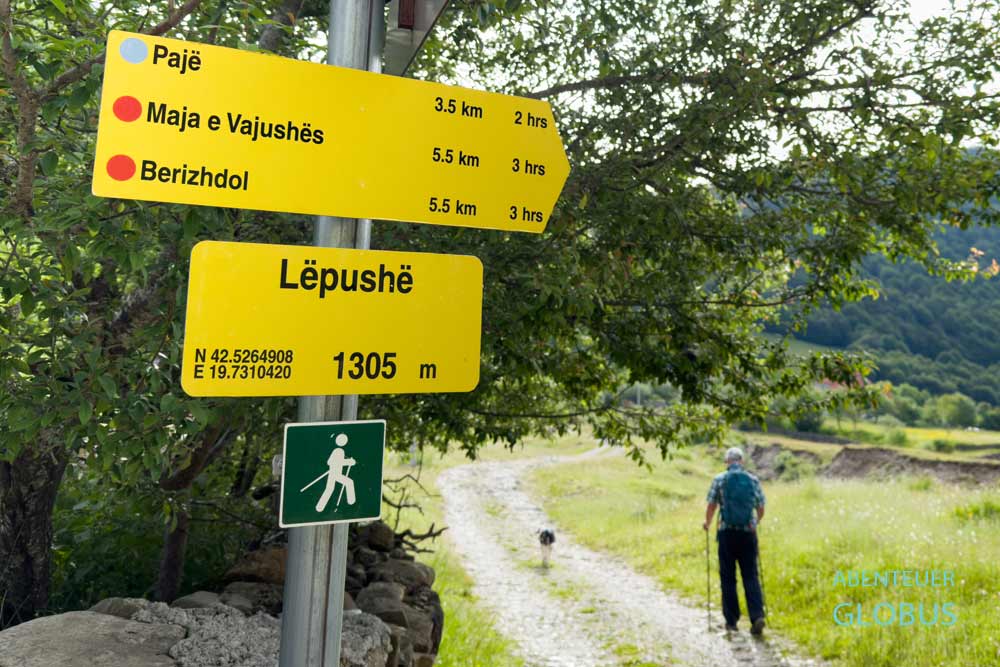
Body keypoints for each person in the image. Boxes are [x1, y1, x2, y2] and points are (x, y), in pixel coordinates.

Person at [702, 446, 766, 635]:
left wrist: (707, 523)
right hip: (748, 534)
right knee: (751, 575)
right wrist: (754, 522)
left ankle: (731, 622)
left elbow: (712, 505)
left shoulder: (720, 479)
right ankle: (757, 616)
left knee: (728, 578)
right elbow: (761, 507)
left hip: (727, 534)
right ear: (742, 461)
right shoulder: (753, 480)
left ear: (727, 462)